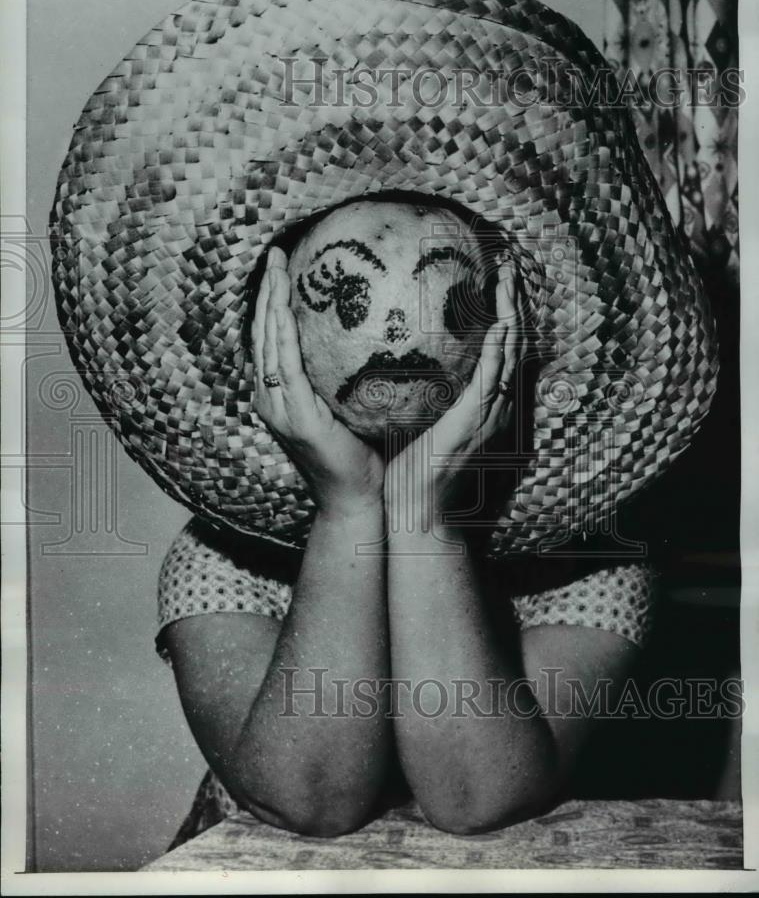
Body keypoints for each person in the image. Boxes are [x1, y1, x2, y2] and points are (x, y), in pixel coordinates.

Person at [156, 199, 656, 844]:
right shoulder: (219, 556)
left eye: (443, 302)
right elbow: (310, 802)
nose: (396, 332)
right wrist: (350, 508)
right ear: (276, 339)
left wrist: (424, 514)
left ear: (505, 334)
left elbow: (476, 798)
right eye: (348, 299)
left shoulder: (596, 556)